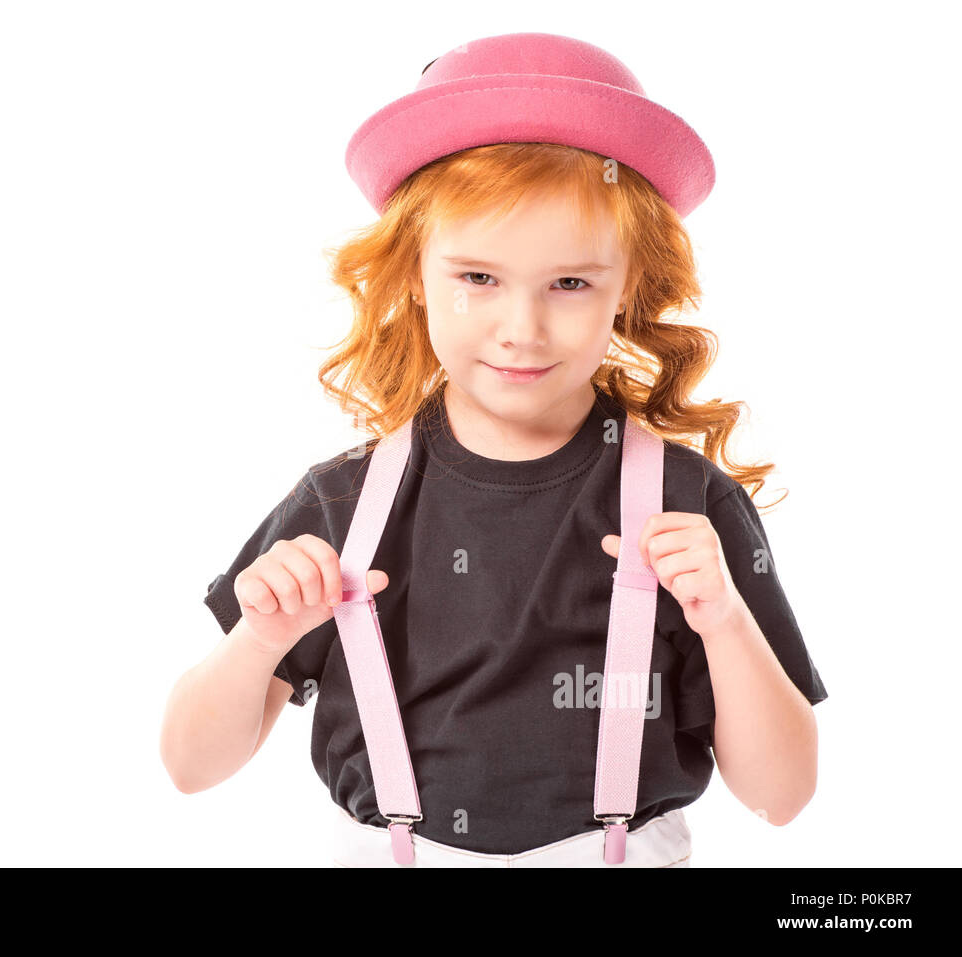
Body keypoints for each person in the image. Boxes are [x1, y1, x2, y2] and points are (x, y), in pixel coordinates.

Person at [161, 31, 828, 867]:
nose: (523, 329)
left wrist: (725, 619)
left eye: (571, 282)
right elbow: (190, 765)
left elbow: (782, 795)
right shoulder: (340, 504)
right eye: (478, 277)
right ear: (413, 274)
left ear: (629, 288)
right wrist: (258, 640)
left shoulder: (688, 504)